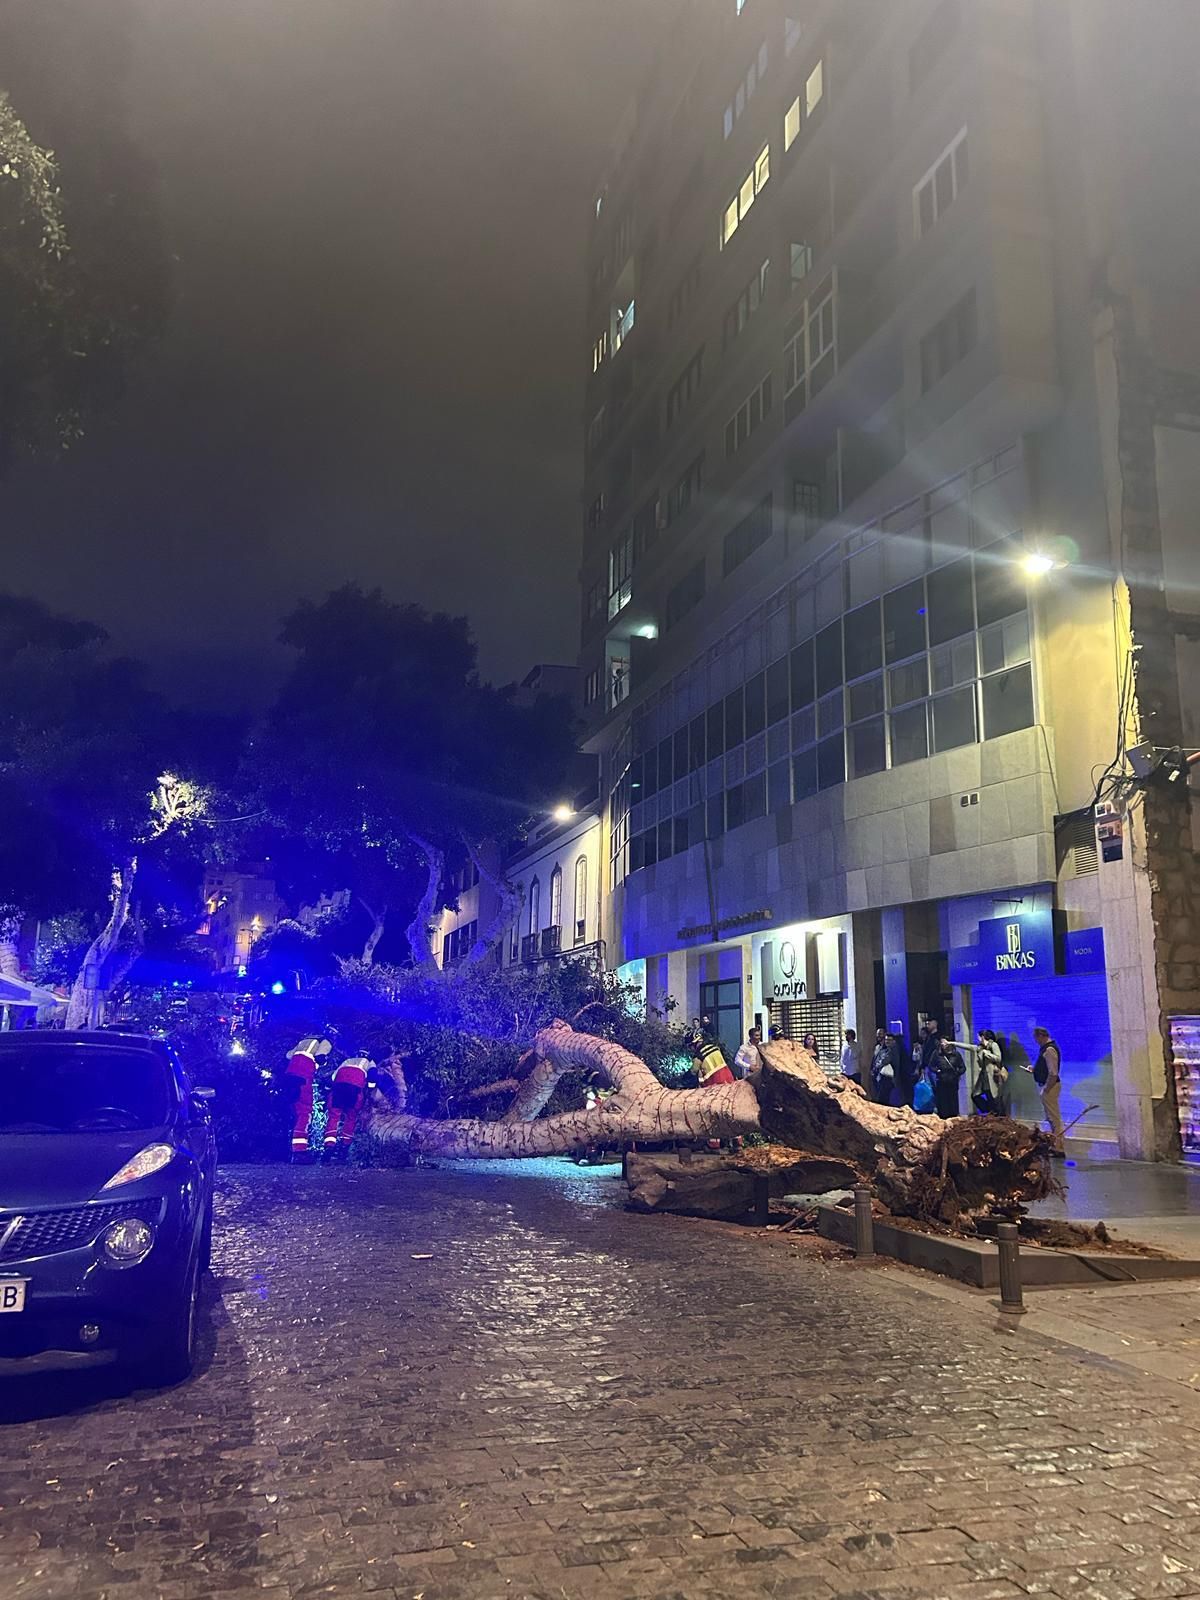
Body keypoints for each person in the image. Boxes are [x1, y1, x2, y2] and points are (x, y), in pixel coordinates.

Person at [282, 1036, 332, 1160]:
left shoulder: (302, 1041)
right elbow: (320, 1057)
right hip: (303, 1077)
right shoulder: (325, 1041)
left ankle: (288, 1151)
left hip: (289, 1077)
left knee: (291, 1113)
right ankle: (299, 1152)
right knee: (304, 1113)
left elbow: (288, 1055)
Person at [324, 1054, 373, 1157]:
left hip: (338, 1088)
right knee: (351, 1117)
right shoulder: (369, 1063)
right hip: (354, 1089)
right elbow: (372, 1080)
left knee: (333, 1117)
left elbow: (333, 1077)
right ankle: (344, 1148)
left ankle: (328, 1147)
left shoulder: (347, 1060)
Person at [1030, 1026, 1065, 1155]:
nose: (1036, 1041)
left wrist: (1046, 1088)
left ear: (1041, 1036)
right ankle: (1055, 1144)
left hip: (1050, 1087)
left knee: (1054, 1118)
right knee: (1051, 1117)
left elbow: (1053, 1072)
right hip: (1047, 1085)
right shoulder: (1045, 1049)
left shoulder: (1050, 1050)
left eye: (1036, 1038)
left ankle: (1059, 1146)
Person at [932, 1035, 966, 1119]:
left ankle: (953, 1118)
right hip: (941, 1081)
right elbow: (931, 1066)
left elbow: (963, 1067)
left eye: (945, 1042)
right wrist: (937, 1071)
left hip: (953, 1081)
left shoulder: (956, 1055)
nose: (943, 1044)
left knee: (953, 1102)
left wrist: (957, 1073)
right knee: (943, 1103)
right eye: (942, 1042)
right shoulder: (937, 1054)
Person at [974, 1030, 1006, 1116]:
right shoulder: (980, 1047)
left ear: (983, 1037)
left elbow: (998, 1058)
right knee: (981, 1096)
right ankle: (991, 1113)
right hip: (985, 1077)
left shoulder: (993, 1045)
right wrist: (953, 1043)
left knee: (996, 1098)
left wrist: (987, 1054)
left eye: (978, 1036)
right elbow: (969, 1047)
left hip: (994, 1076)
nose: (977, 1039)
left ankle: (1000, 1117)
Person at [870, 1030, 896, 1104]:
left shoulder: (888, 1049)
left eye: (880, 1034)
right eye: (877, 1034)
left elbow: (884, 1061)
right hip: (876, 1075)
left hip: (885, 1076)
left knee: (883, 1097)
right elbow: (874, 1059)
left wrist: (878, 1065)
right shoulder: (877, 1047)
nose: (878, 1036)